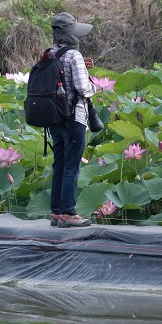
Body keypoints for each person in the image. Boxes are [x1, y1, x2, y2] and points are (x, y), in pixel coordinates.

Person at [47, 12, 95, 229]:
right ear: (68, 34)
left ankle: (56, 212)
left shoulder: (49, 54)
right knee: (71, 166)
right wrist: (92, 84)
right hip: (74, 117)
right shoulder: (73, 55)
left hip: (54, 119)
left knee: (59, 164)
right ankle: (68, 212)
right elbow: (83, 88)